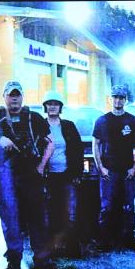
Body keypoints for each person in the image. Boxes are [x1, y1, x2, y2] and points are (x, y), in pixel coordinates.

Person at [0, 80, 59, 269]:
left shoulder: (34, 118)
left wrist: (41, 167)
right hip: (4, 177)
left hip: (31, 177)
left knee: (38, 219)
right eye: (10, 94)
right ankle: (14, 261)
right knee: (10, 220)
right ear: (4, 96)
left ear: (22, 97)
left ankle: (42, 260)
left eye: (17, 94)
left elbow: (51, 143)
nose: (14, 98)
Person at [92, 84, 135, 253]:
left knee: (128, 206)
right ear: (110, 99)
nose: (118, 100)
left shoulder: (133, 121)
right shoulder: (102, 121)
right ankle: (104, 240)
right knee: (106, 207)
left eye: (121, 97)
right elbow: (96, 144)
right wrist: (101, 168)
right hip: (109, 172)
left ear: (125, 100)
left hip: (127, 171)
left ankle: (129, 238)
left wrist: (134, 168)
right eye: (115, 97)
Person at [41, 91, 83, 258]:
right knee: (50, 213)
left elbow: (78, 149)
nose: (52, 106)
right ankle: (52, 248)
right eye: (49, 103)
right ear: (45, 106)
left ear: (60, 107)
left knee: (70, 212)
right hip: (47, 177)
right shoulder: (40, 125)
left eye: (56, 103)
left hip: (66, 176)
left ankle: (71, 246)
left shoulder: (69, 126)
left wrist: (77, 173)